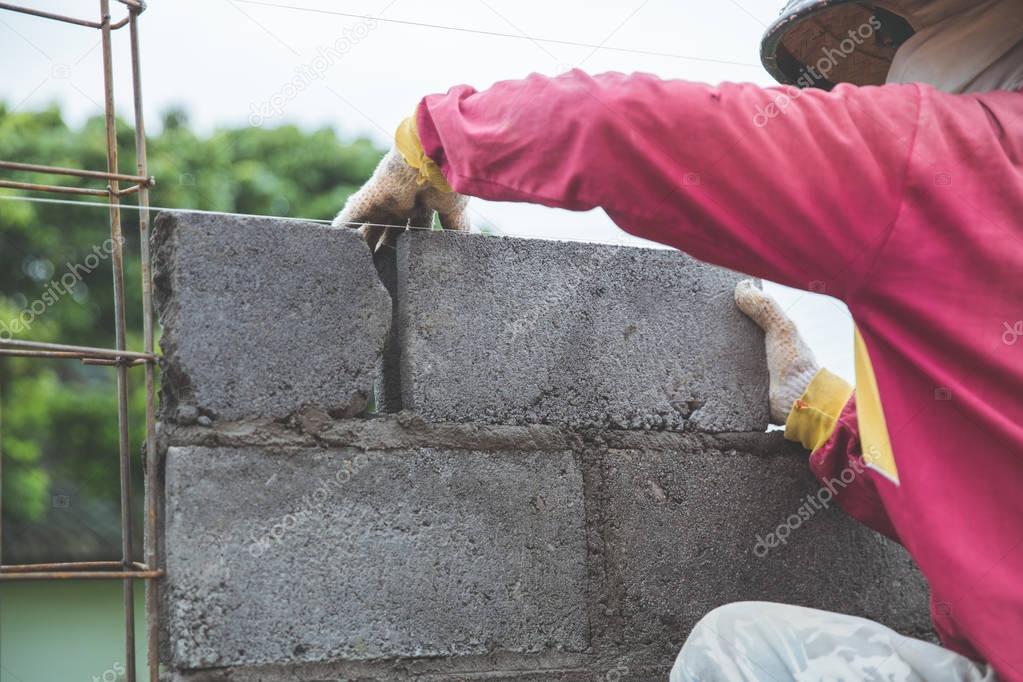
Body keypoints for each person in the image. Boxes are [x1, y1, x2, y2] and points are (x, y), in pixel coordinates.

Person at [333, 0, 1023, 678]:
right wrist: (820, 415)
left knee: (740, 652)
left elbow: (610, 127)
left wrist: (430, 145)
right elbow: (985, 521)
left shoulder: (957, 154)